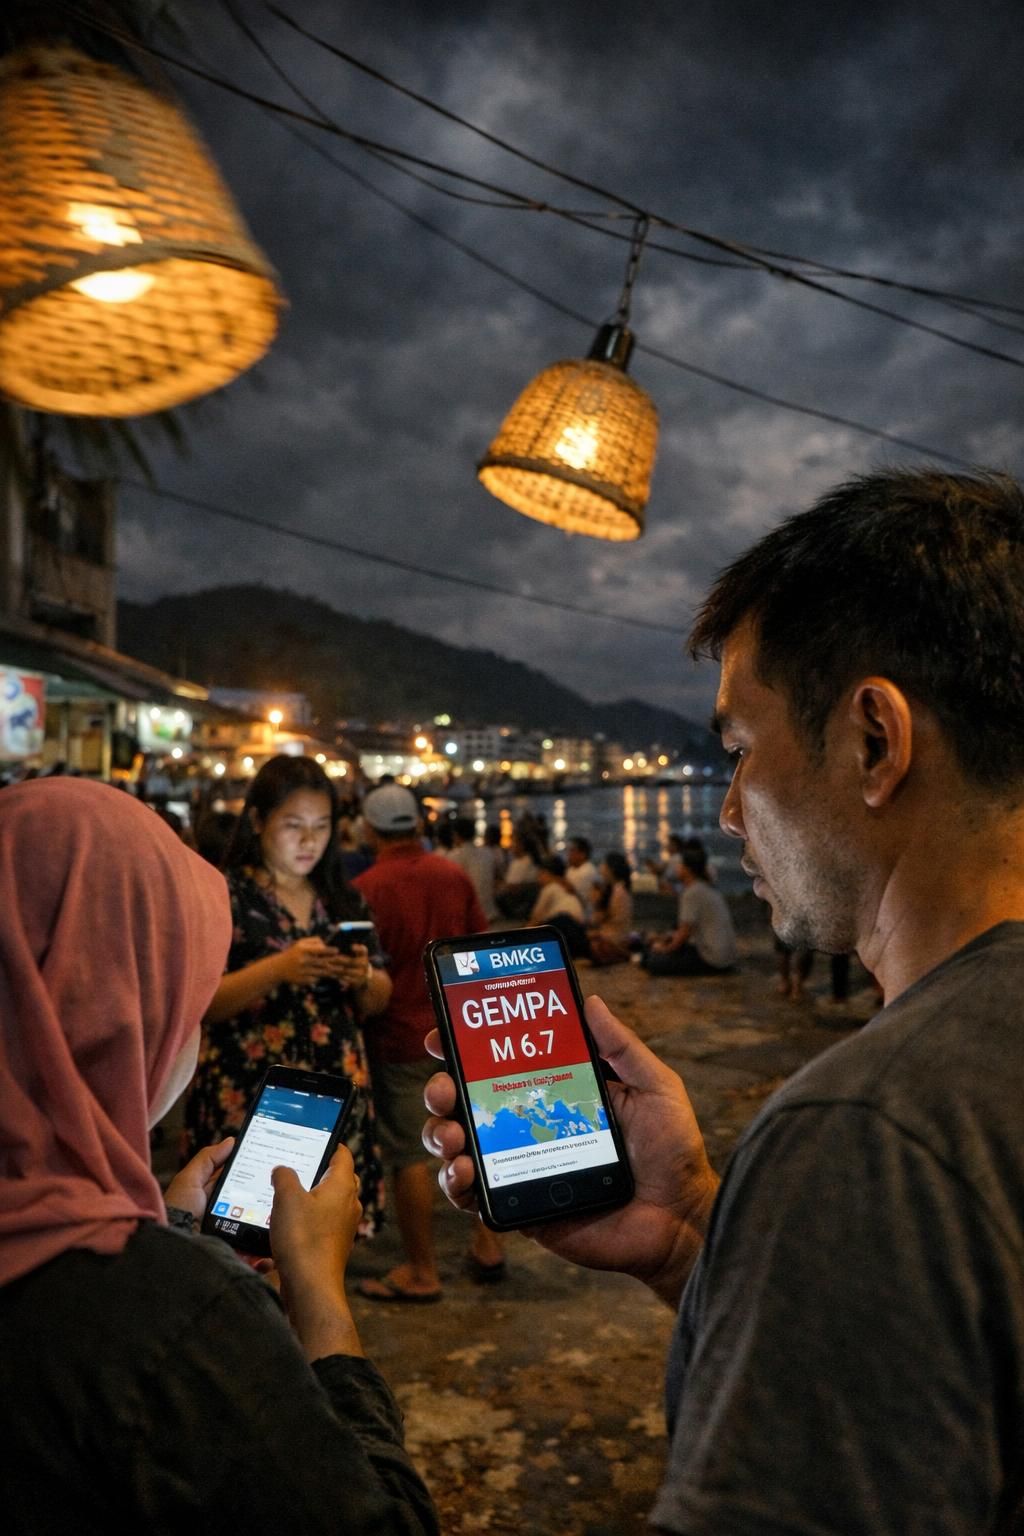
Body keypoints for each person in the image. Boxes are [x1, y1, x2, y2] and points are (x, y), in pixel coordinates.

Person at [425, 469, 1024, 1532]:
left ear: (873, 741)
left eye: (740, 752)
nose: (732, 810)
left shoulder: (871, 1131)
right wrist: (695, 1229)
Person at [0, 777, 437, 1535]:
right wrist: (321, 1302)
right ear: (109, 1008)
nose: (190, 1024)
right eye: (178, 982)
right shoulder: (173, 1319)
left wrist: (167, 1222)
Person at [184, 756, 391, 1235]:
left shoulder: (343, 898)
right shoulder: (221, 895)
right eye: (293, 825)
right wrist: (280, 969)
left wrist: (361, 976)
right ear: (257, 821)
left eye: (322, 826)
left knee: (325, 1231)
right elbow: (199, 1003)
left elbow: (379, 997)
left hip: (336, 1086)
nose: (309, 840)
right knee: (242, 1228)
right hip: (247, 1087)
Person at [353, 784, 504, 1300]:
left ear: (369, 829)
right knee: (480, 1133)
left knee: (410, 1153)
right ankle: (489, 1245)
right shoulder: (453, 875)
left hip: (399, 1035)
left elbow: (365, 974)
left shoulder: (367, 888)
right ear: (418, 824)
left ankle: (422, 1269)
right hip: (459, 1028)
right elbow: (480, 947)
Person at [642, 845, 737, 975]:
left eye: (679, 865)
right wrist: (665, 939)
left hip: (713, 959)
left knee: (653, 961)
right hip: (725, 957)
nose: (676, 868)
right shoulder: (704, 887)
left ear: (688, 869)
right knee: (653, 952)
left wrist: (664, 949)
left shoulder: (692, 893)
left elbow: (684, 933)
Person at [586, 851, 634, 966]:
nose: (601, 868)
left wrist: (595, 901)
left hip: (612, 940)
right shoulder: (620, 889)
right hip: (615, 937)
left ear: (611, 869)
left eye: (603, 864)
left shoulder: (616, 892)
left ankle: (619, 955)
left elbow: (597, 919)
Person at [448, 815, 499, 922]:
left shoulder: (453, 856)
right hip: (491, 912)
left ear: (456, 835)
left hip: (470, 917)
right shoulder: (488, 853)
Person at [565, 834, 601, 918]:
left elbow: (575, 897)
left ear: (582, 854)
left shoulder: (587, 872)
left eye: (572, 850)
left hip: (582, 915)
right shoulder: (572, 869)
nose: (568, 854)